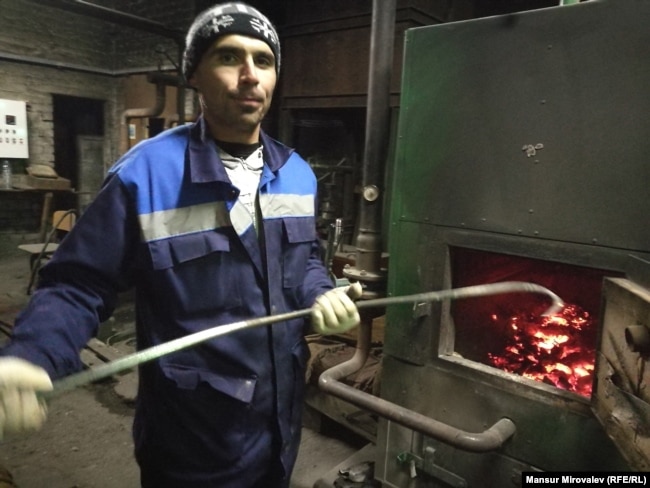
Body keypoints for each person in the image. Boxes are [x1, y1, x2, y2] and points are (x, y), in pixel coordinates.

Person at [0, 3, 362, 487]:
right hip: (193, 436)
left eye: (264, 60)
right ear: (195, 73)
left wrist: (321, 291)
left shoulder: (295, 172)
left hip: (278, 425)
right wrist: (33, 354)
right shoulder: (145, 175)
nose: (251, 76)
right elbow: (77, 283)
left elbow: (307, 259)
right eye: (229, 57)